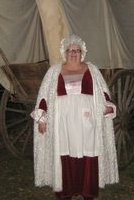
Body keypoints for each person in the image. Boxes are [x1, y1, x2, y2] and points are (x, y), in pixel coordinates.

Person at [30, 34, 119, 199]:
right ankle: (66, 193)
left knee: (88, 152)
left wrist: (107, 107)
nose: (73, 53)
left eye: (77, 50)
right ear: (65, 52)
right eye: (70, 50)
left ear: (82, 52)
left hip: (87, 120)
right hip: (62, 121)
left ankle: (88, 192)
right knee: (64, 152)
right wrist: (42, 118)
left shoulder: (91, 69)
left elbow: (103, 92)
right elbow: (44, 96)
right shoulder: (54, 71)